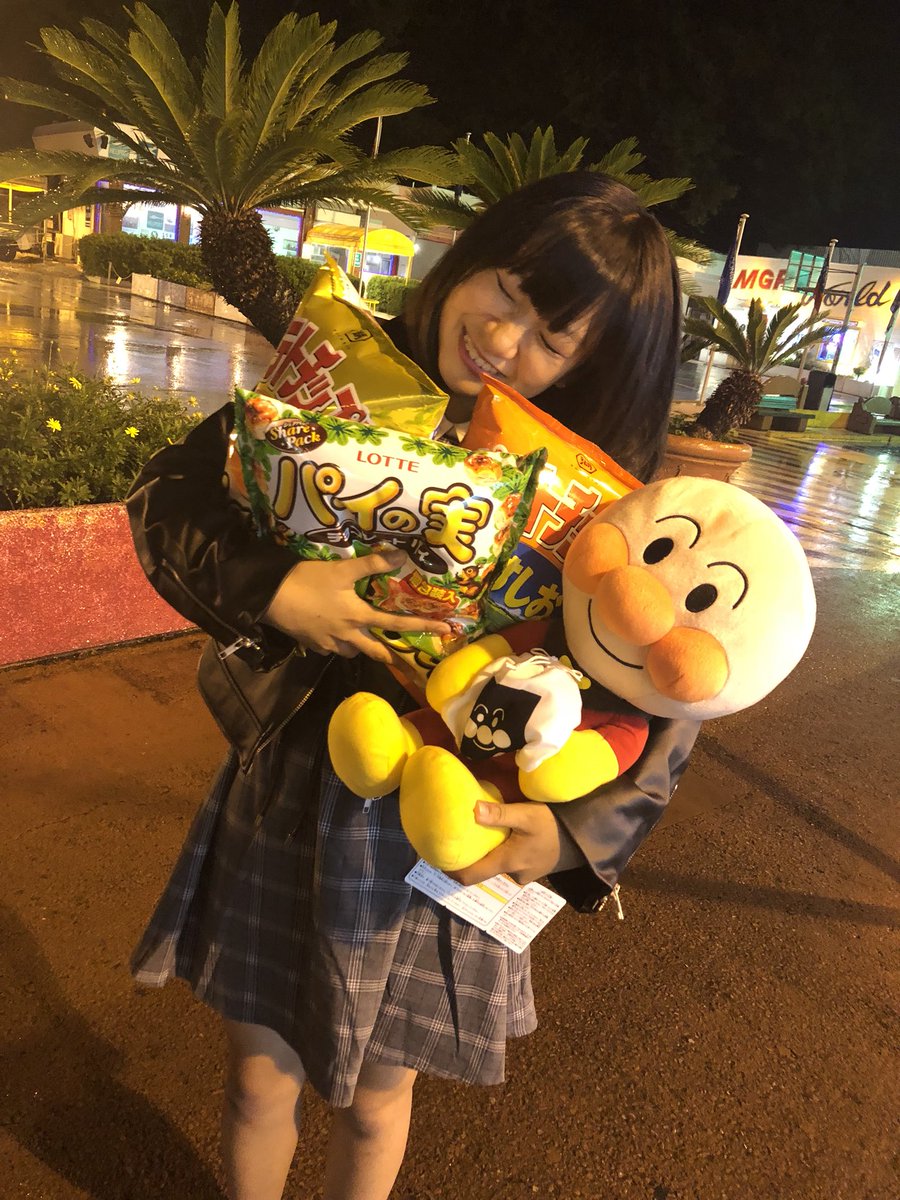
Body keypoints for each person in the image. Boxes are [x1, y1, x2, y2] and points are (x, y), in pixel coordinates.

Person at [126, 171, 701, 1200]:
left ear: (594, 365)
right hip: (293, 774)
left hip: (451, 823)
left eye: (552, 338)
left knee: (376, 1099)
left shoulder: (603, 503)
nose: (503, 339)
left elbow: (669, 686)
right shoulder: (348, 375)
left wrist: (578, 834)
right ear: (470, 255)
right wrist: (276, 589)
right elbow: (168, 493)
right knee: (258, 1081)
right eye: (506, 290)